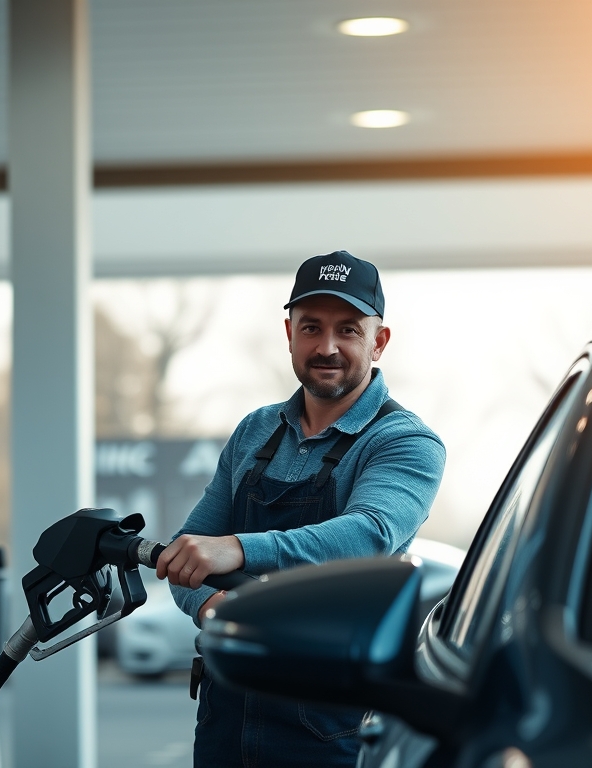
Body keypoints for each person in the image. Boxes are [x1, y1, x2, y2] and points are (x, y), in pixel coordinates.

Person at [156, 250, 445, 767]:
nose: (326, 347)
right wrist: (212, 607)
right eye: (311, 327)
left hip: (330, 726)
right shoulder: (255, 431)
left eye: (348, 330)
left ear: (378, 341)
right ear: (289, 333)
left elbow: (368, 536)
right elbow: (189, 554)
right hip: (225, 714)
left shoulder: (405, 442)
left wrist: (237, 550)